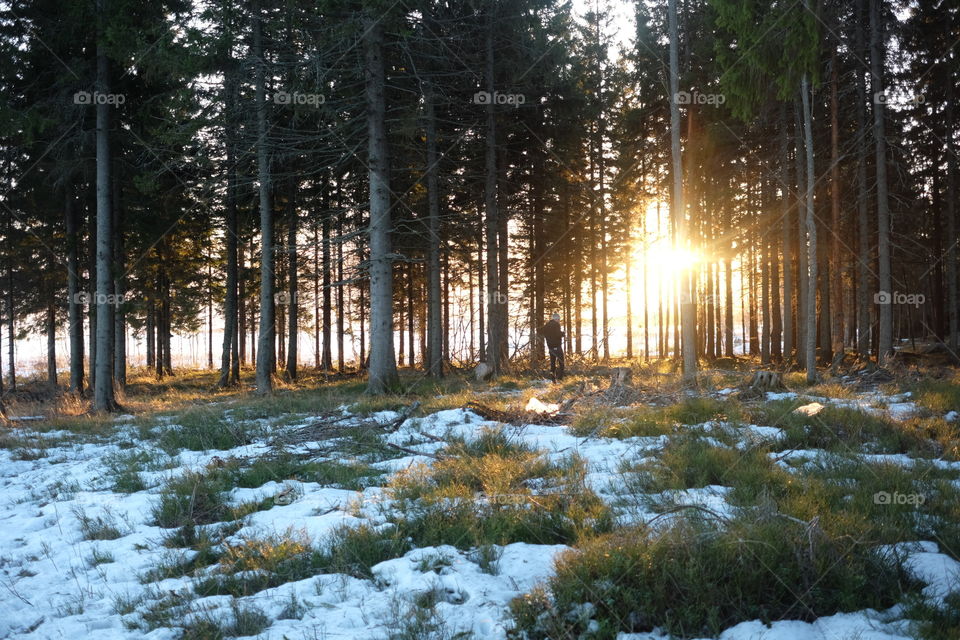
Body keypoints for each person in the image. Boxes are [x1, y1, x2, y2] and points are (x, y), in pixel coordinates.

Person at [541, 313, 565, 381]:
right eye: (559, 319)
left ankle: (553, 379)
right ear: (556, 319)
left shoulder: (547, 325)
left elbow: (539, 330)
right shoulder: (556, 324)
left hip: (550, 348)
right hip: (557, 347)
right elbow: (557, 334)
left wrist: (547, 336)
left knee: (552, 364)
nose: (559, 320)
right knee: (561, 363)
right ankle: (560, 379)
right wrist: (563, 334)